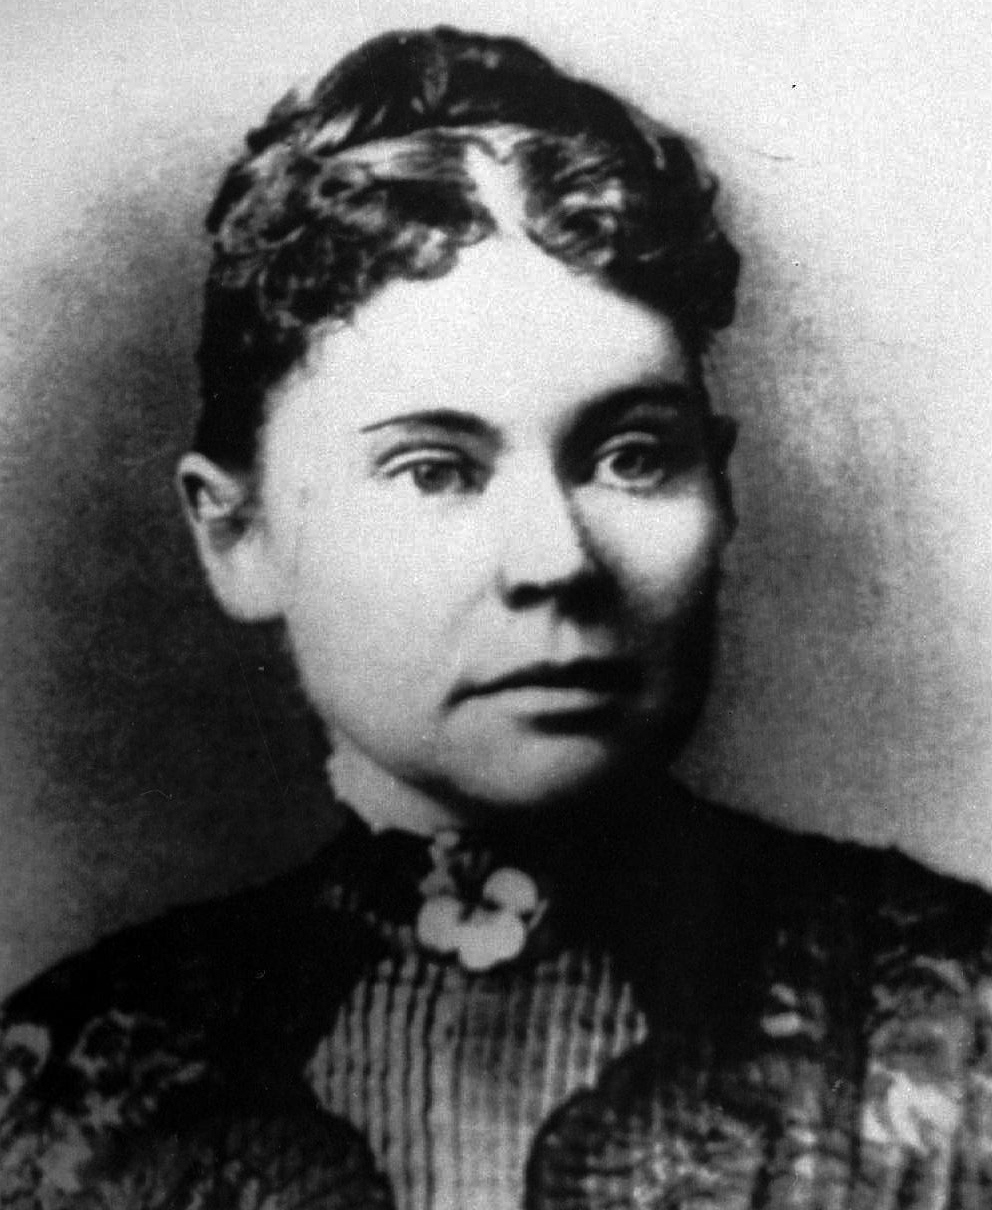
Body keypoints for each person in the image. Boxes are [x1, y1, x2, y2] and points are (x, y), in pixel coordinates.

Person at [1, 25, 990, 1210]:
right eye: (434, 469)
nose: (555, 559)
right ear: (237, 535)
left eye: (631, 456)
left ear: (720, 488)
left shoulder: (958, 1027)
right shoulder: (58, 1096)